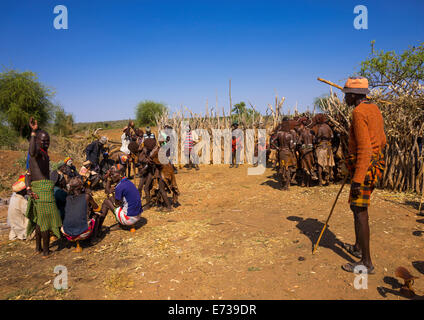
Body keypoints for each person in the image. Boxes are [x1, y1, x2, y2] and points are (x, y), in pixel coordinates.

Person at [340, 76, 386, 274]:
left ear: (352, 95)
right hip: (373, 165)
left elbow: (365, 148)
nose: (344, 99)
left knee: (360, 212)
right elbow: (382, 140)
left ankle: (366, 263)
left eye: (345, 95)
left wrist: (357, 178)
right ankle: (358, 247)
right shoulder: (374, 108)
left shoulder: (358, 113)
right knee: (355, 206)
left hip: (365, 168)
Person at [25, 117, 62, 258]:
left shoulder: (45, 154)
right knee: (45, 221)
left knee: (40, 220)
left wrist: (29, 189)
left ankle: (38, 248)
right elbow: (32, 151)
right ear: (37, 141)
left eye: (48, 140)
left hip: (43, 189)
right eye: (43, 140)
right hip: (42, 190)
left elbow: (28, 174)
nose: (46, 142)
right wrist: (33, 132)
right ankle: (46, 251)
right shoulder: (37, 153)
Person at [61, 177, 101, 252]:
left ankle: (77, 244)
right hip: (83, 232)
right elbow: (97, 208)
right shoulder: (87, 196)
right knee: (97, 215)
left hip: (67, 232)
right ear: (81, 187)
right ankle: (94, 238)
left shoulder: (68, 198)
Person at [99, 165, 143, 232]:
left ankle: (98, 228)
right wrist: (109, 180)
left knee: (106, 202)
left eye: (113, 174)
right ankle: (126, 225)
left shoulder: (119, 187)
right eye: (110, 174)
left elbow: (116, 204)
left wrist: (110, 194)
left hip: (129, 218)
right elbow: (107, 191)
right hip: (138, 215)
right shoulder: (127, 182)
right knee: (121, 201)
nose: (111, 176)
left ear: (120, 174)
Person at [315, 114, 335, 186]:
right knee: (328, 163)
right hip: (329, 147)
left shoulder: (321, 128)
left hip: (322, 147)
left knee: (320, 164)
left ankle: (320, 182)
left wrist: (317, 139)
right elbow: (332, 136)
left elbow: (318, 137)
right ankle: (327, 180)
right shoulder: (328, 127)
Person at [7, 175, 30, 240]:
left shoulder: (13, 198)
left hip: (14, 227)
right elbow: (29, 213)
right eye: (25, 189)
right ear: (22, 191)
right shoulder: (22, 201)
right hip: (22, 230)